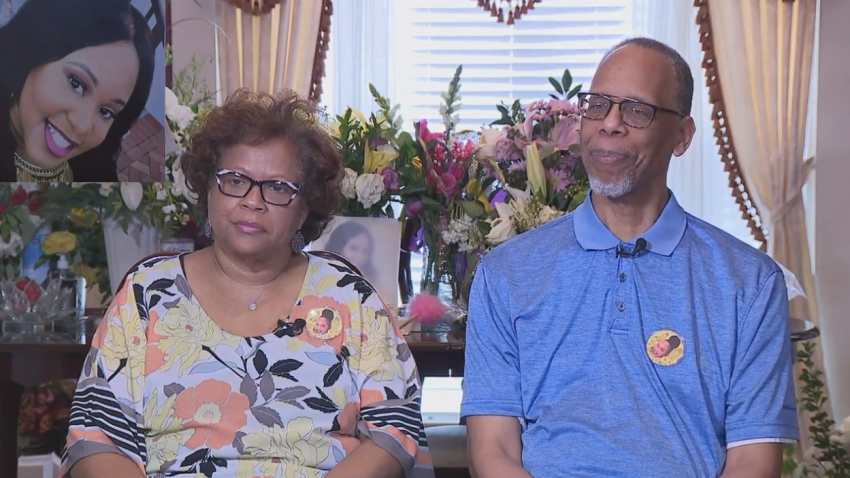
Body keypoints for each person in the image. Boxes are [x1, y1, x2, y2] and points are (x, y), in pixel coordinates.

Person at [462, 37, 797, 478]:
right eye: (597, 105)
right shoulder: (506, 273)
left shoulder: (750, 283)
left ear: (682, 136)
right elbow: (494, 453)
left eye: (636, 110)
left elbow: (753, 461)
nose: (610, 124)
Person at [62, 89, 433, 478]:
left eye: (277, 188)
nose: (252, 201)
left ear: (305, 206)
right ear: (208, 188)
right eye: (235, 180)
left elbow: (393, 433)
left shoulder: (350, 298)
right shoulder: (146, 294)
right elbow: (95, 438)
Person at [0, 0, 156, 181]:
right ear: (34, 51)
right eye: (76, 84)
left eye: (105, 112)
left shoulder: (97, 163)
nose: (82, 126)